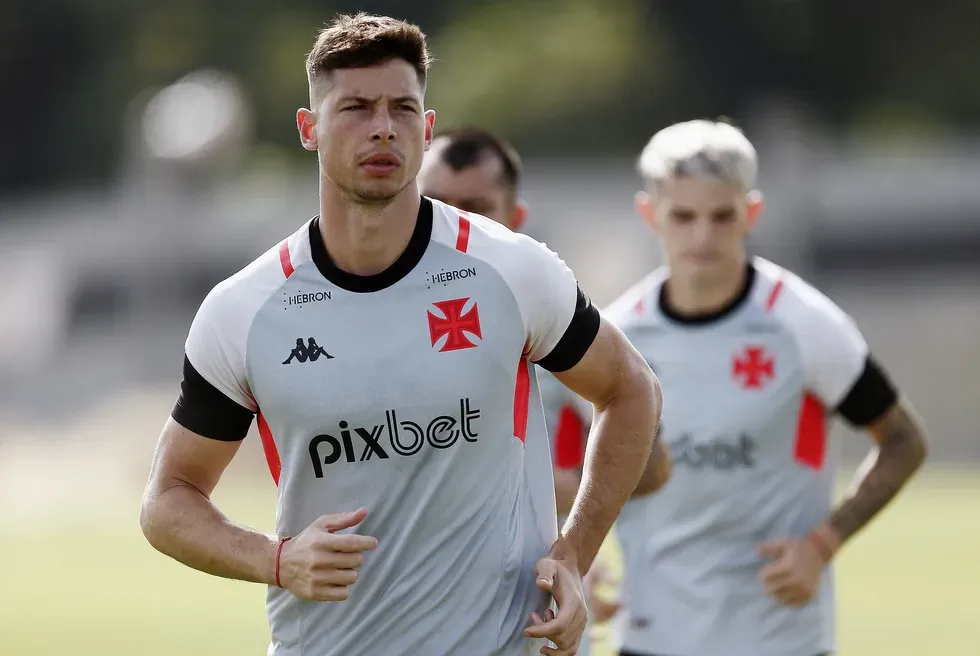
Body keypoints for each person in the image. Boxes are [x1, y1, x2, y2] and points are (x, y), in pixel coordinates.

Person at [138, 13, 662, 656]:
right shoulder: (245, 310)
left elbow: (630, 389)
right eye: (356, 106)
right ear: (310, 128)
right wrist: (276, 560)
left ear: (427, 126)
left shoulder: (510, 271)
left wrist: (575, 553)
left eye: (402, 108)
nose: (383, 126)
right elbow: (169, 500)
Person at [544, 119, 929, 656]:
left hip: (781, 637)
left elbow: (905, 440)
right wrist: (580, 562)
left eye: (722, 216)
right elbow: (575, 470)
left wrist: (823, 543)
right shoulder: (616, 335)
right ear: (649, 213)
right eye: (683, 216)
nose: (703, 236)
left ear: (751, 212)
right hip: (652, 638)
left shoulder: (803, 323)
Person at [418, 126, 630, 656]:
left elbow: (649, 459)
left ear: (516, 220)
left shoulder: (557, 333)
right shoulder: (373, 321)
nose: (453, 225)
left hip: (520, 615)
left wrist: (574, 550)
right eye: (437, 206)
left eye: (475, 208)